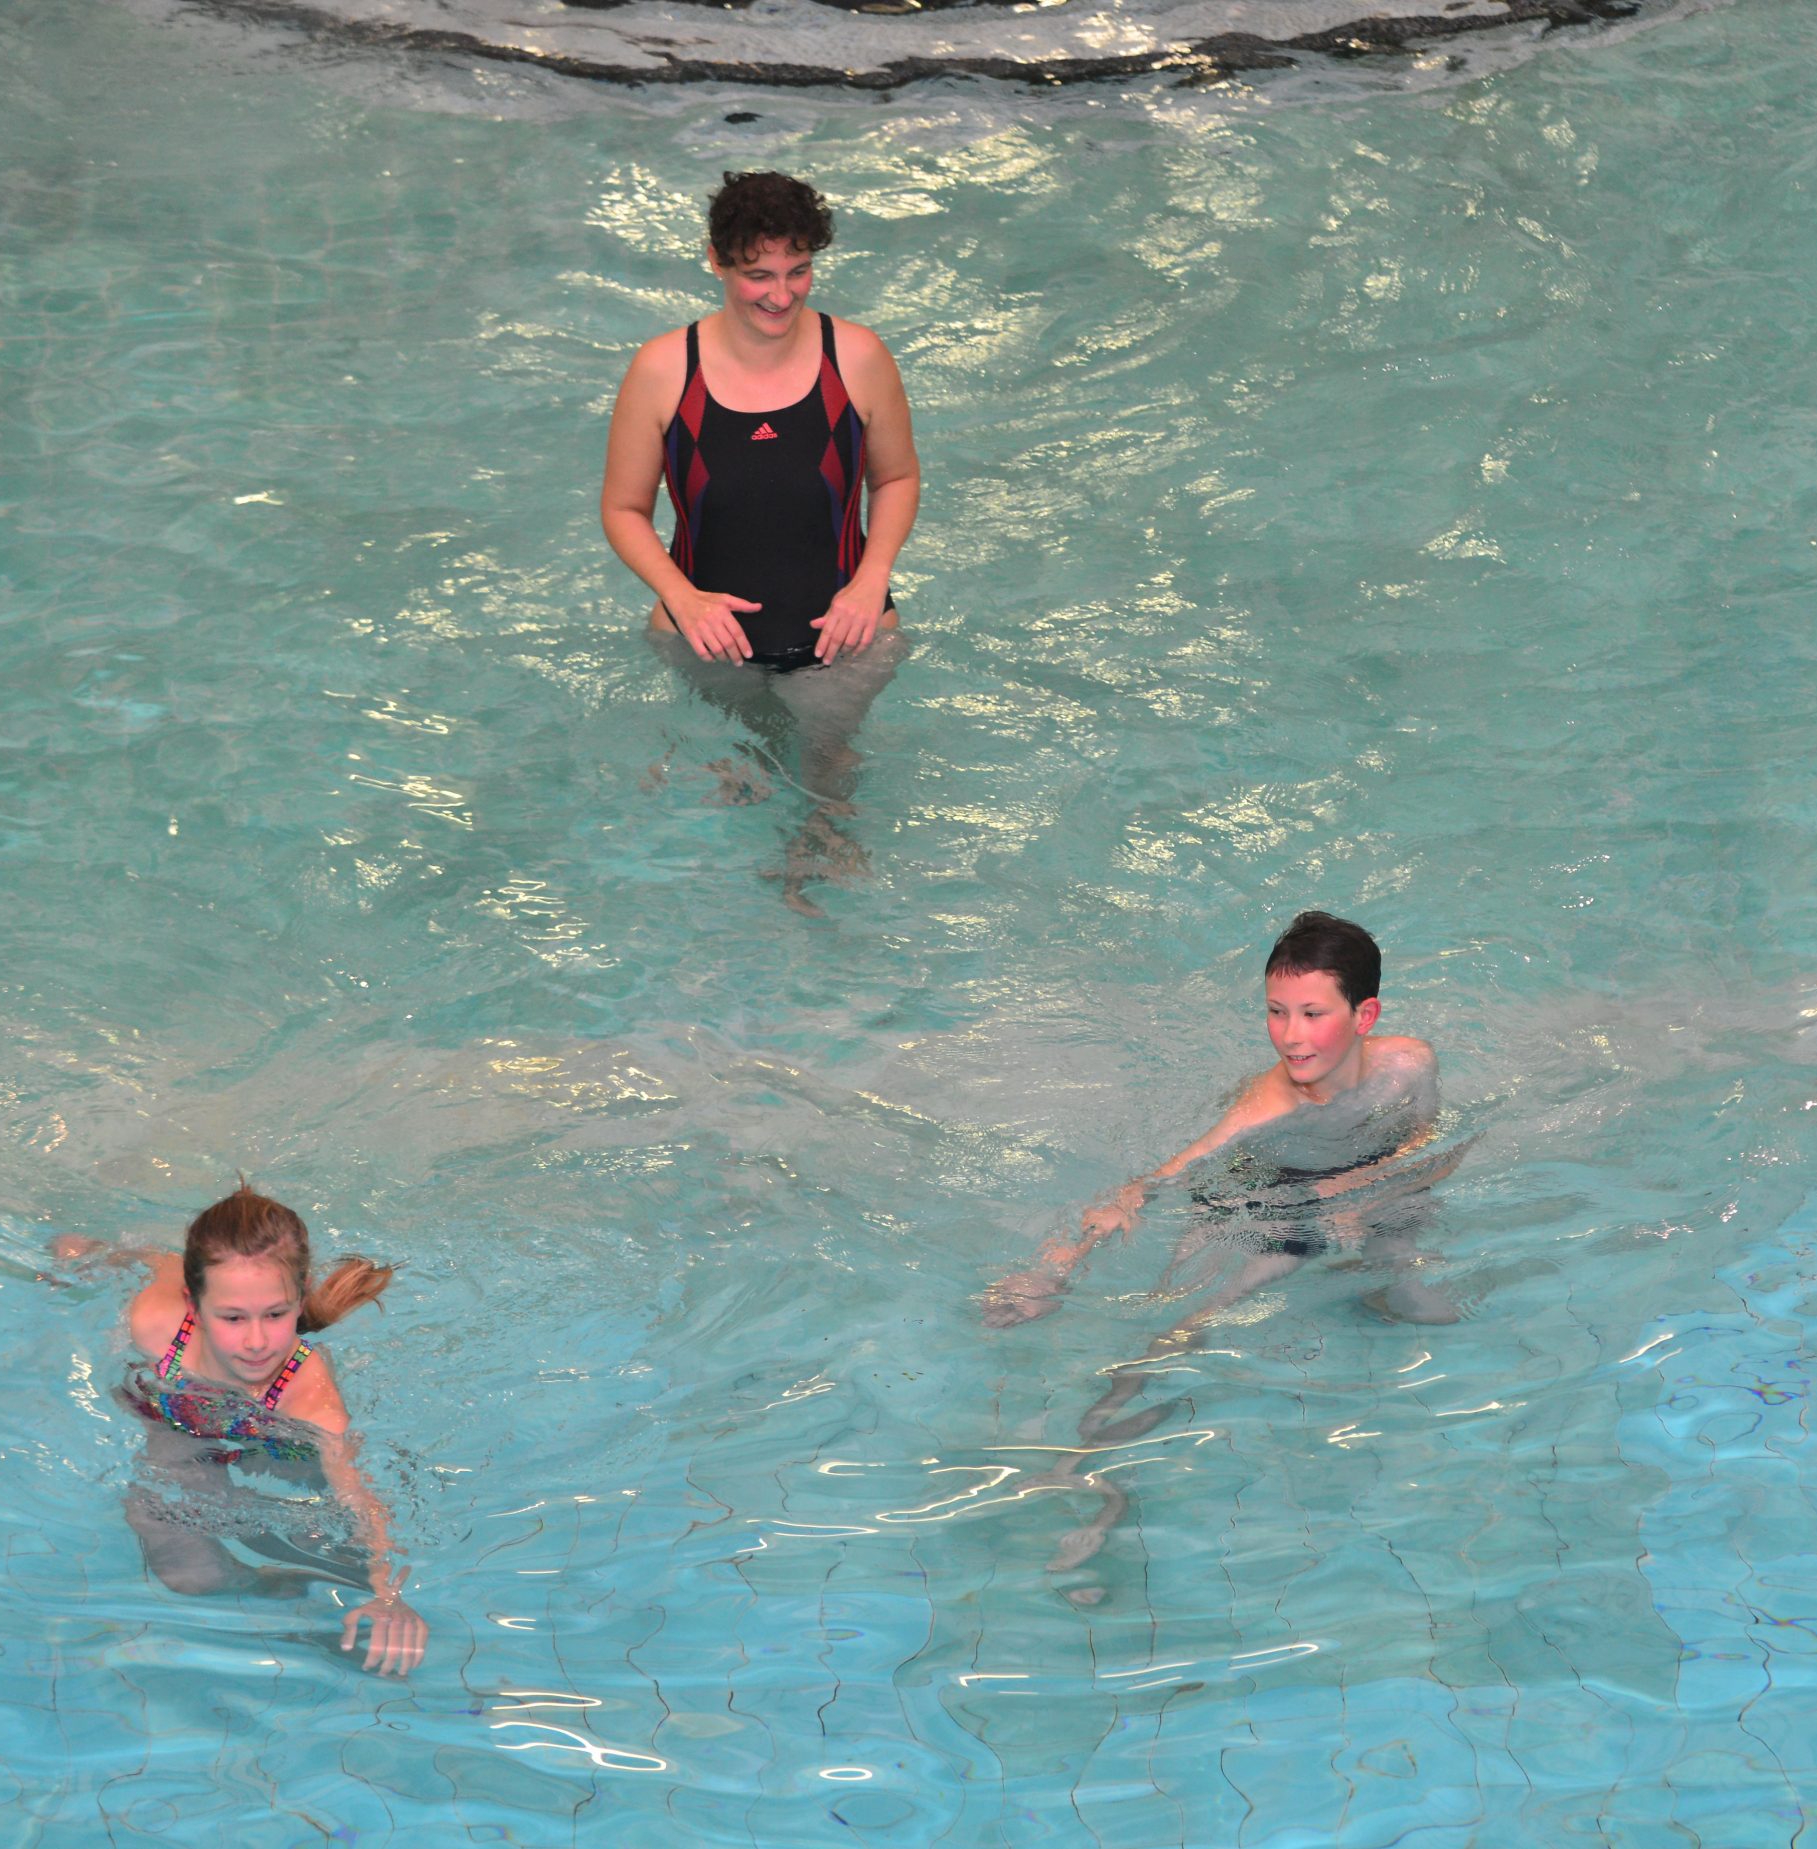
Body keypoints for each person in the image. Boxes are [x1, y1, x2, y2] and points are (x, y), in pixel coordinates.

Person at [982, 912, 1466, 1594]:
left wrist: (1363, 1191)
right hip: (1257, 1197)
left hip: (1350, 1185)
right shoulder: (1262, 1108)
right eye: (1275, 1012)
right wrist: (1053, 1266)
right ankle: (1095, 1471)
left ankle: (1385, 1272)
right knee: (1179, 1329)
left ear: (1365, 1014)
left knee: (1408, 1231)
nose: (1291, 1035)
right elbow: (1146, 1186)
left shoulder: (1410, 1065)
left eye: (1311, 1012)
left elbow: (1424, 1143)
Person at [600, 170, 922, 913]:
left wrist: (872, 580)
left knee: (827, 793)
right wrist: (681, 598)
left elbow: (898, 478)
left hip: (845, 635)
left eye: (799, 270)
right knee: (735, 794)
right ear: (715, 261)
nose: (782, 294)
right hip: (704, 641)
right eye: (758, 276)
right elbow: (622, 508)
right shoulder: (662, 369)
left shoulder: (858, 358)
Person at [54, 1186, 430, 1677]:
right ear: (194, 1303)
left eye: (275, 1314)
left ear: (300, 1300)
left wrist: (388, 1593)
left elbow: (363, 1496)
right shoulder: (155, 1325)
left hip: (275, 1436)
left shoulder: (312, 1399)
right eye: (232, 1318)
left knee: (325, 1534)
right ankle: (267, 1584)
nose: (256, 1342)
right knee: (189, 1575)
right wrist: (85, 1256)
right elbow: (152, 1259)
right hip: (174, 1420)